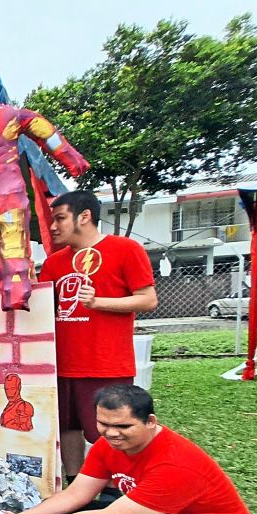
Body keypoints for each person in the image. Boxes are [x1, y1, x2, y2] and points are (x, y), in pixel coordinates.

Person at [6, 385, 257, 514]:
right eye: (103, 423)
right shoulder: (107, 445)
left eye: (124, 426)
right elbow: (76, 494)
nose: (112, 433)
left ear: (150, 421)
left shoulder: (175, 462)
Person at [37, 190, 157, 480]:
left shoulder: (125, 249)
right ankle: (76, 483)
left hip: (106, 363)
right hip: (62, 364)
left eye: (60, 218)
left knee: (111, 429)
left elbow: (147, 299)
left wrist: (99, 302)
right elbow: (40, 307)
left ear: (85, 216)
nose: (53, 227)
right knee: (67, 425)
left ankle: (118, 484)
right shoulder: (54, 262)